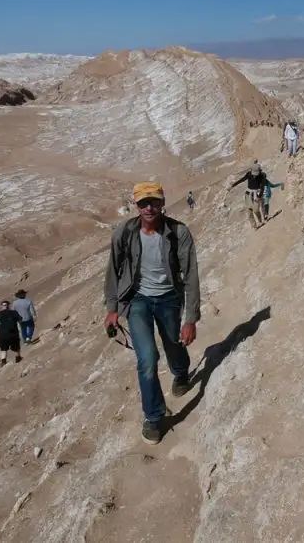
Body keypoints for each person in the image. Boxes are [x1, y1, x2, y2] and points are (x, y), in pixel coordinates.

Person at [103, 181, 202, 445]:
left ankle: (181, 373)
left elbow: (191, 275)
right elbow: (113, 270)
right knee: (147, 358)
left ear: (163, 202)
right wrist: (112, 308)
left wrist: (190, 319)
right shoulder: (124, 232)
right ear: (135, 205)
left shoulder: (178, 233)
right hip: (138, 301)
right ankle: (154, 416)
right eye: (143, 202)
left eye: (154, 201)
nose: (149, 207)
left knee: (173, 344)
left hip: (169, 298)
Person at [229, 162, 269, 229]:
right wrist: (232, 185)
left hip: (257, 193)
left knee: (256, 210)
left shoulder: (263, 176)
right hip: (248, 193)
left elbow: (262, 187)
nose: (255, 175)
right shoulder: (249, 174)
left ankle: (261, 221)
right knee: (249, 211)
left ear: (260, 171)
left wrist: (259, 197)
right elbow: (242, 180)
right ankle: (254, 226)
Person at [0, 300, 22, 366]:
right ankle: (18, 358)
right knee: (16, 346)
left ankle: (3, 362)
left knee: (3, 349)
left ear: (1, 306)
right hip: (13, 333)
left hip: (2, 335)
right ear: (9, 305)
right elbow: (20, 320)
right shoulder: (14, 313)